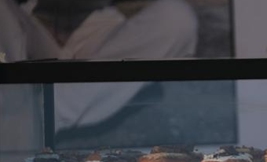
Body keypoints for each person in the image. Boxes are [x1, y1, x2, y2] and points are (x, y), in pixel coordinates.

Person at [0, 0, 198, 131]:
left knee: (176, 18)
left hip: (105, 31)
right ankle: (22, 110)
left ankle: (40, 116)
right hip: (31, 29)